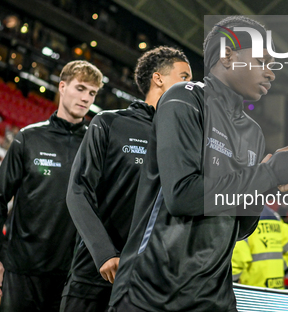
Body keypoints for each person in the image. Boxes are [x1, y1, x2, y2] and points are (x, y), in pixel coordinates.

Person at [109, 16, 288, 312]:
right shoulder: (184, 99)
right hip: (153, 293)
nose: (271, 73)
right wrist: (266, 173)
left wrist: (266, 184)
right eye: (262, 61)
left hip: (215, 298)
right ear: (228, 56)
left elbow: (239, 227)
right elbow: (182, 195)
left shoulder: (252, 131)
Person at [63, 47, 192, 312]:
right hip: (95, 275)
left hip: (148, 287)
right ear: (158, 78)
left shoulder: (186, 142)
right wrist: (105, 253)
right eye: (185, 77)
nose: (191, 85)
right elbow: (77, 191)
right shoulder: (110, 123)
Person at [0, 60, 103, 312]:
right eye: (80, 88)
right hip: (22, 269)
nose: (86, 98)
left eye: (92, 93)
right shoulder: (28, 138)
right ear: (62, 86)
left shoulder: (96, 145)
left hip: (71, 275)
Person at [231, 205, 288, 289]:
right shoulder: (275, 217)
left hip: (253, 290)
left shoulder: (244, 218)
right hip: (277, 287)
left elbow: (238, 258)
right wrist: (278, 265)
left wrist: (231, 283)